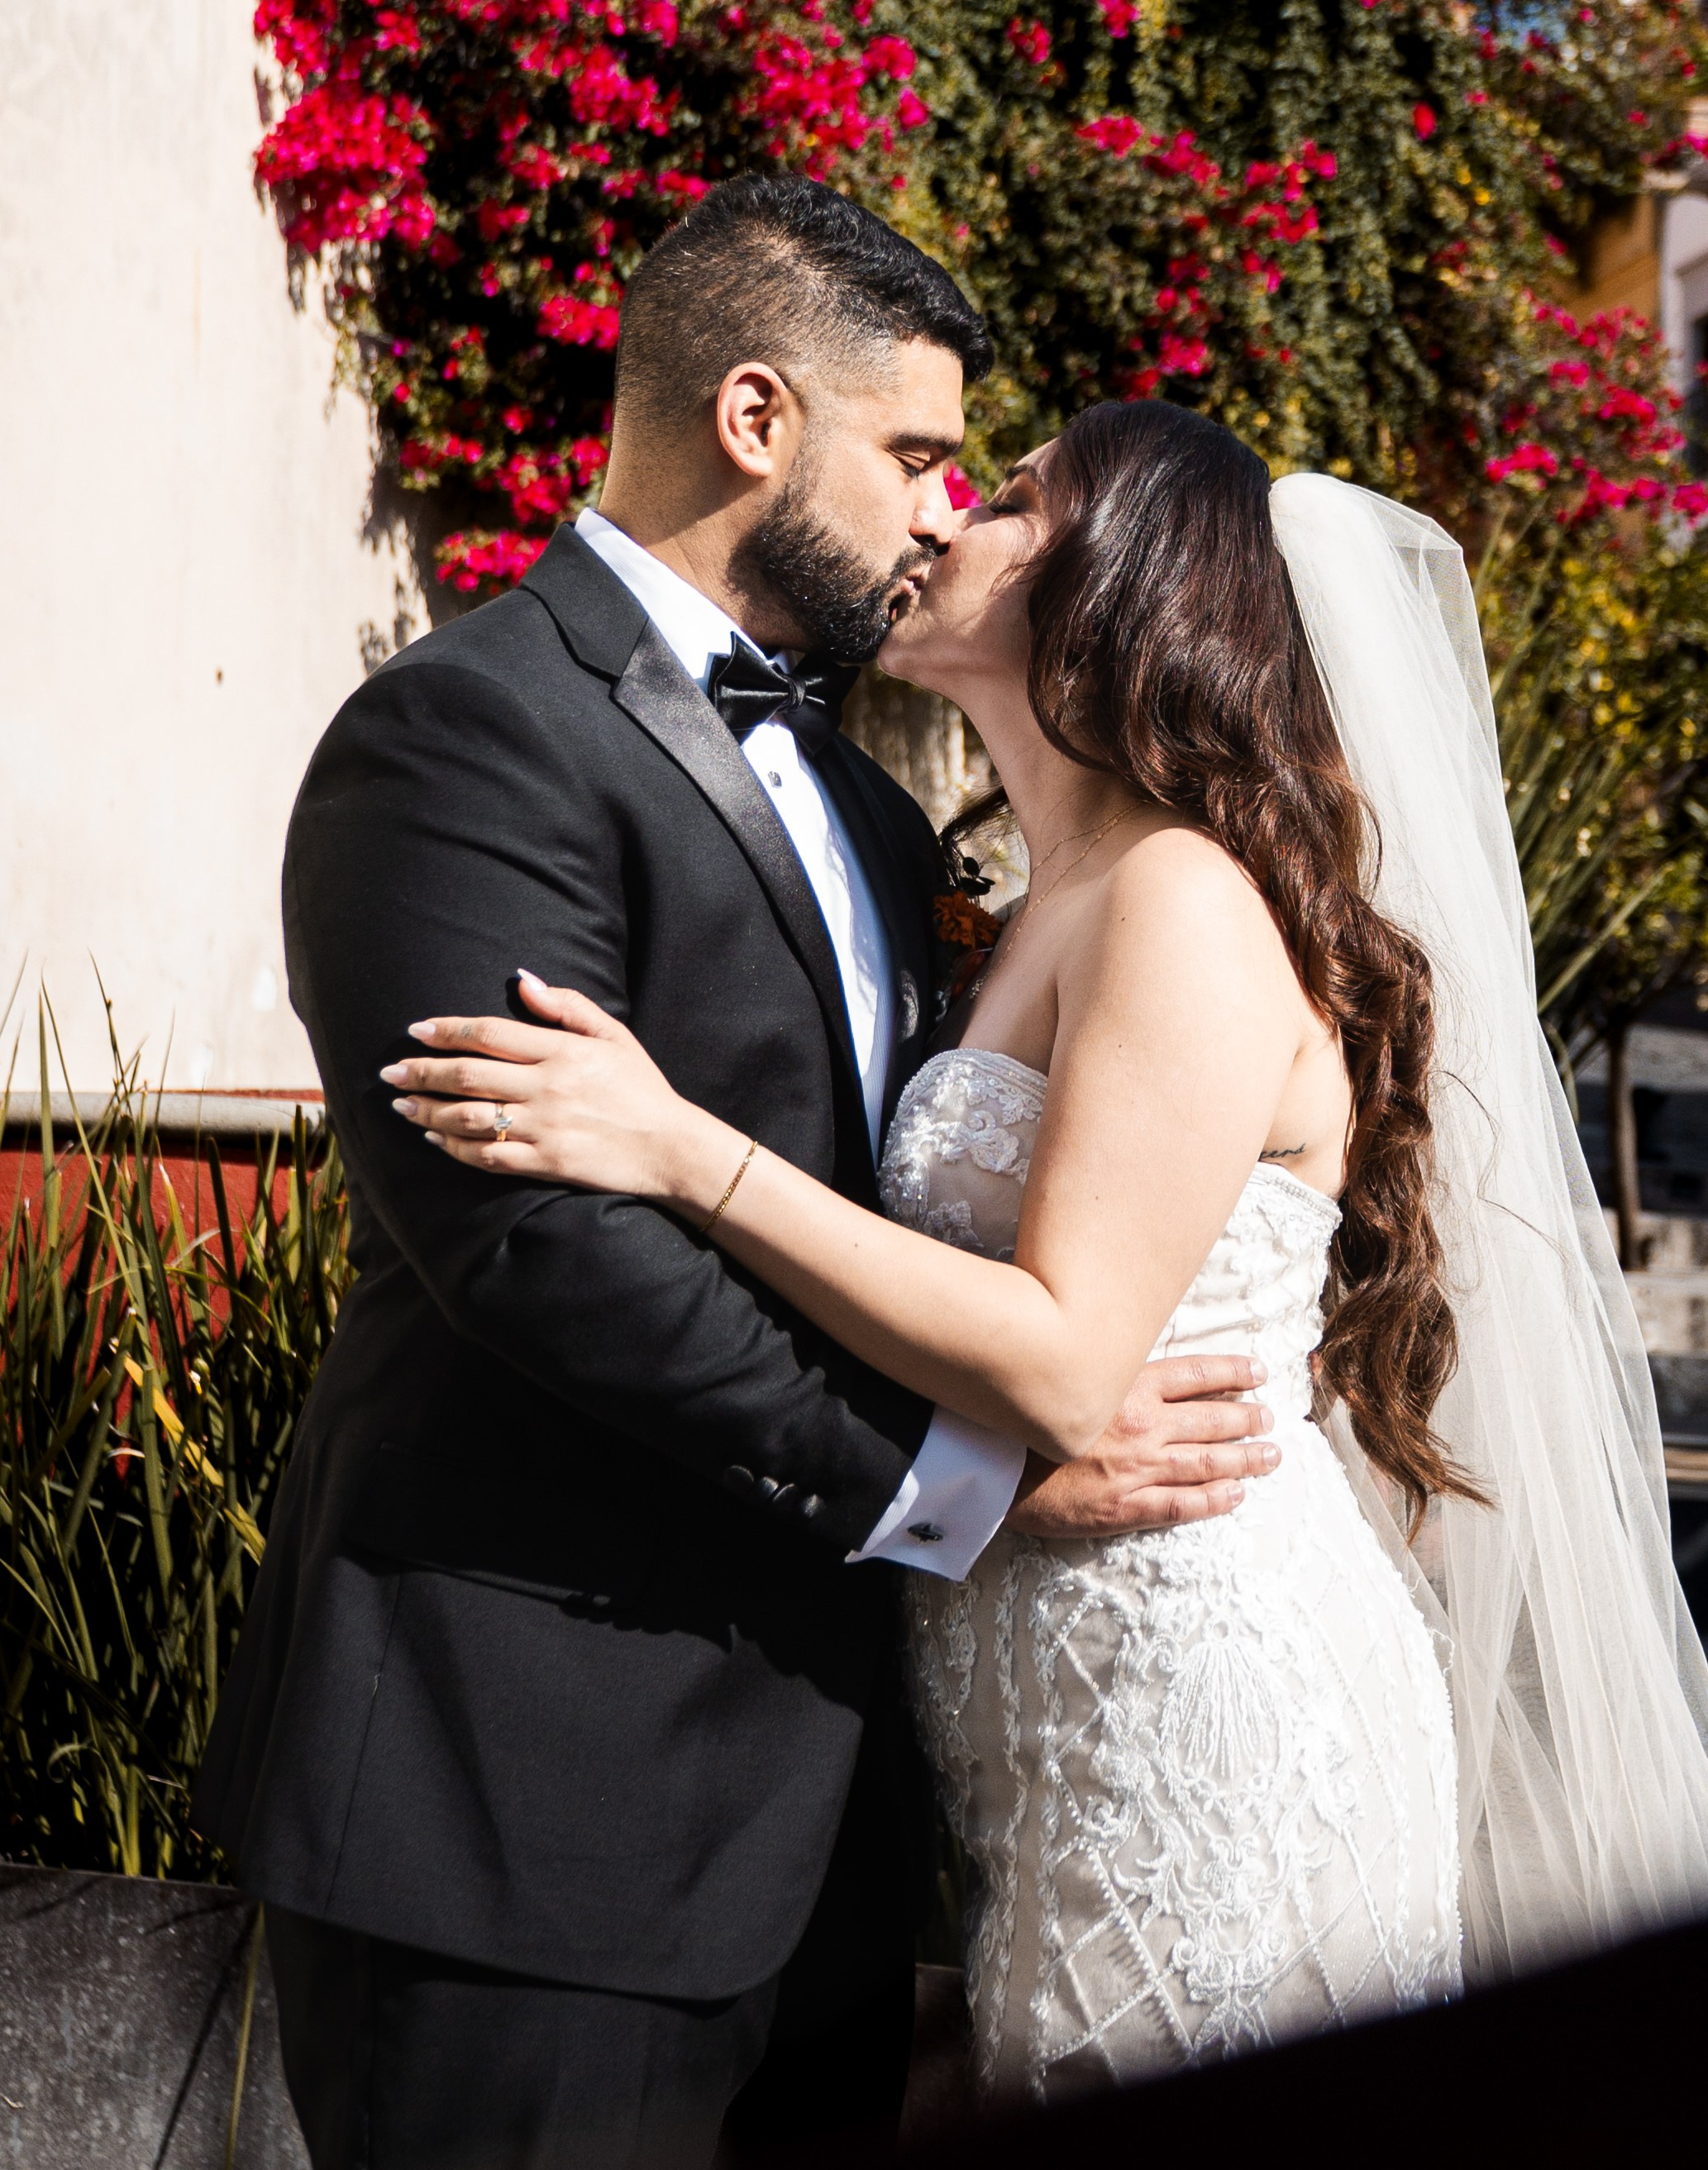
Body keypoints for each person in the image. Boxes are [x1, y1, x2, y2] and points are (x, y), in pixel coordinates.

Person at [395, 398, 1708, 2106]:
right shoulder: (1031, 897)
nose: (946, 517)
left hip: (1200, 1706)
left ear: (1123, 580)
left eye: (1013, 498)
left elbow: (1062, 1359)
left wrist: (683, 1152)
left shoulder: (1181, 896)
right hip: (1061, 1702)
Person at [196, 185, 1279, 2170]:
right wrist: (963, 1487)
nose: (942, 512)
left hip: (831, 1827)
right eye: (919, 453)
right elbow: (536, 1251)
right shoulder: (463, 737)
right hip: (524, 1803)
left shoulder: (876, 808)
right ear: (758, 419)